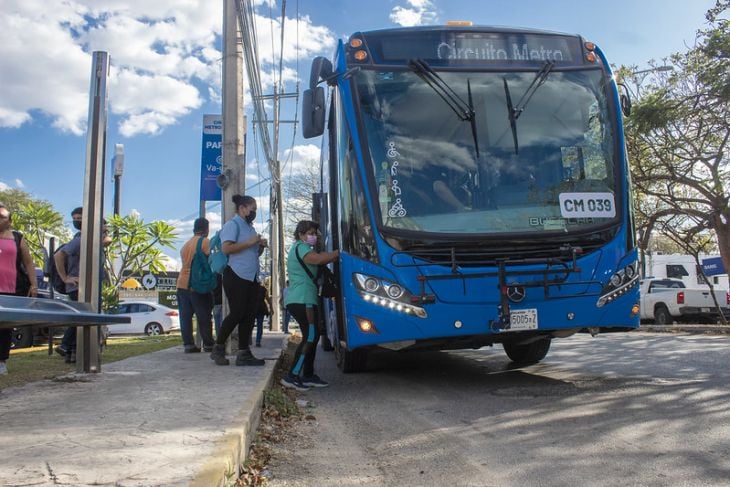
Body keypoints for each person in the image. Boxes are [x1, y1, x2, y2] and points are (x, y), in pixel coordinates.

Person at [280, 220, 339, 391]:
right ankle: (292, 375)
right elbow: (319, 259)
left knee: (312, 336)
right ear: (300, 235)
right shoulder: (301, 248)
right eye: (309, 233)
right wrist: (338, 253)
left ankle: (308, 375)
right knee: (310, 336)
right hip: (302, 299)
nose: (312, 236)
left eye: (314, 233)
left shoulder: (301, 247)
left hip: (306, 299)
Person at [210, 194, 268, 366]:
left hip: (251, 276)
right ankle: (218, 348)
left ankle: (244, 353)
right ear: (242, 208)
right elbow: (226, 248)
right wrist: (251, 242)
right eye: (253, 209)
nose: (254, 212)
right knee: (237, 313)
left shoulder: (249, 228)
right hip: (236, 275)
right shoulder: (232, 225)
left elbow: (251, 253)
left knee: (249, 316)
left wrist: (259, 247)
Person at [54, 207, 111, 363]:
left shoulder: (93, 241)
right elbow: (58, 256)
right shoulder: (81, 240)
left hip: (88, 286)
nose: (76, 221)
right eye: (75, 218)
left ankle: (71, 355)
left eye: (79, 218)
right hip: (78, 286)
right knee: (82, 318)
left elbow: (107, 240)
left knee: (83, 319)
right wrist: (65, 278)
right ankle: (65, 346)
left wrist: (103, 230)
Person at [0, 203, 39, 375]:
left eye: (2, 216)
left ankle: (1, 361)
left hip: (10, 288)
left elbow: (28, 262)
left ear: (9, 221)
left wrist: (34, 284)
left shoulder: (17, 237)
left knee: (4, 327)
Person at [175, 217, 215, 353]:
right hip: (197, 284)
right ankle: (208, 343)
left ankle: (188, 344)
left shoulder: (185, 245)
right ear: (206, 229)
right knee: (204, 315)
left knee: (185, 316)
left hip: (182, 283)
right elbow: (211, 260)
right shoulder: (204, 242)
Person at [253, 280, 270, 347]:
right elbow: (268, 299)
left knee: (249, 326)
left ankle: (248, 341)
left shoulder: (251, 289)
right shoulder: (263, 289)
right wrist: (271, 308)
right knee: (260, 326)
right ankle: (258, 341)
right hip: (261, 309)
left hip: (253, 309)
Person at [212, 273, 223, 338]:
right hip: (222, 301)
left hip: (215, 302)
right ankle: (222, 337)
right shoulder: (222, 277)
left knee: (216, 321)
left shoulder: (213, 278)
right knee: (222, 320)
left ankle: (218, 336)